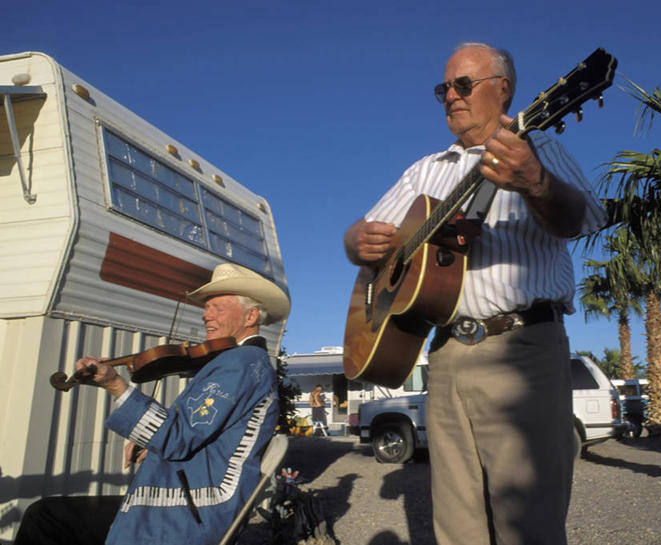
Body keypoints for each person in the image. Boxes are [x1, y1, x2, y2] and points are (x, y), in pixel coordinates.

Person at [343, 42, 605, 545]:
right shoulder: (424, 171)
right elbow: (367, 235)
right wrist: (357, 243)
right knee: (455, 524)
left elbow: (583, 218)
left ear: (502, 89)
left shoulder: (539, 149)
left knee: (527, 523)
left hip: (520, 351)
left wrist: (536, 184)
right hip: (444, 354)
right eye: (444, 88)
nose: (451, 97)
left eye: (464, 85)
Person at [14, 263, 290, 545]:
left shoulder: (240, 364)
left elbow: (177, 437)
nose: (206, 315)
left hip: (191, 511)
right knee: (49, 515)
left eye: (217, 307)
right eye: (206, 307)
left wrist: (115, 385)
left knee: (46, 517)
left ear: (251, 315)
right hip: (187, 496)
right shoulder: (243, 362)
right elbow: (201, 432)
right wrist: (152, 443)